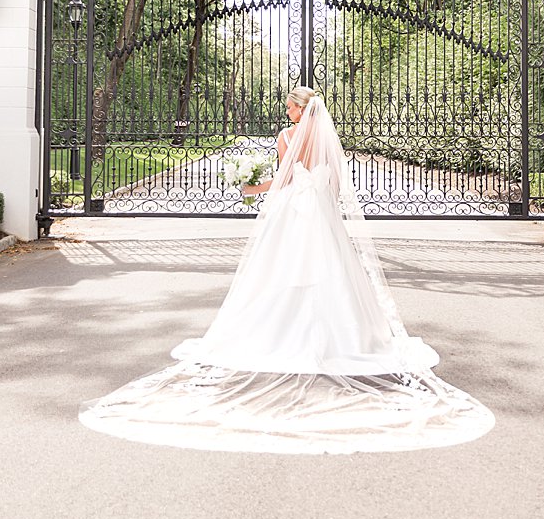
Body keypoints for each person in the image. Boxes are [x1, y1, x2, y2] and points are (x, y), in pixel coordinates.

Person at [79, 86, 495, 454]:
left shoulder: (287, 138)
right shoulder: (329, 142)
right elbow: (332, 188)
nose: (288, 113)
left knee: (281, 271)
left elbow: (280, 181)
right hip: (321, 216)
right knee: (333, 272)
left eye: (291, 108)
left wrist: (249, 188)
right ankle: (344, 336)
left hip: (293, 215)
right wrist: (325, 209)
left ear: (300, 109)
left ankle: (279, 333)